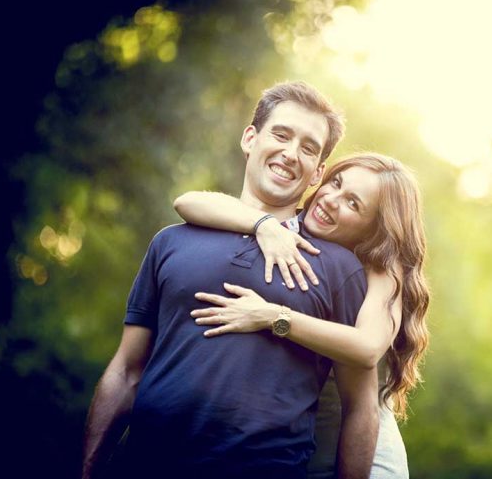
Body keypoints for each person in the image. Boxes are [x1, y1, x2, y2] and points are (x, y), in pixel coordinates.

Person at [81, 81, 380, 479]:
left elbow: (360, 407)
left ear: (318, 173)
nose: (291, 154)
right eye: (281, 134)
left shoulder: (338, 268)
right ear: (250, 138)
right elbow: (125, 371)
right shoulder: (172, 241)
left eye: (308, 148)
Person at [172, 153, 430, 478]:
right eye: (335, 183)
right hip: (296, 442)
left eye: (353, 203)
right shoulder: (287, 229)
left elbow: (367, 349)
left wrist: (274, 317)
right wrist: (263, 224)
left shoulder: (381, 267)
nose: (331, 199)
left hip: (364, 446)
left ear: (375, 228)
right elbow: (187, 202)